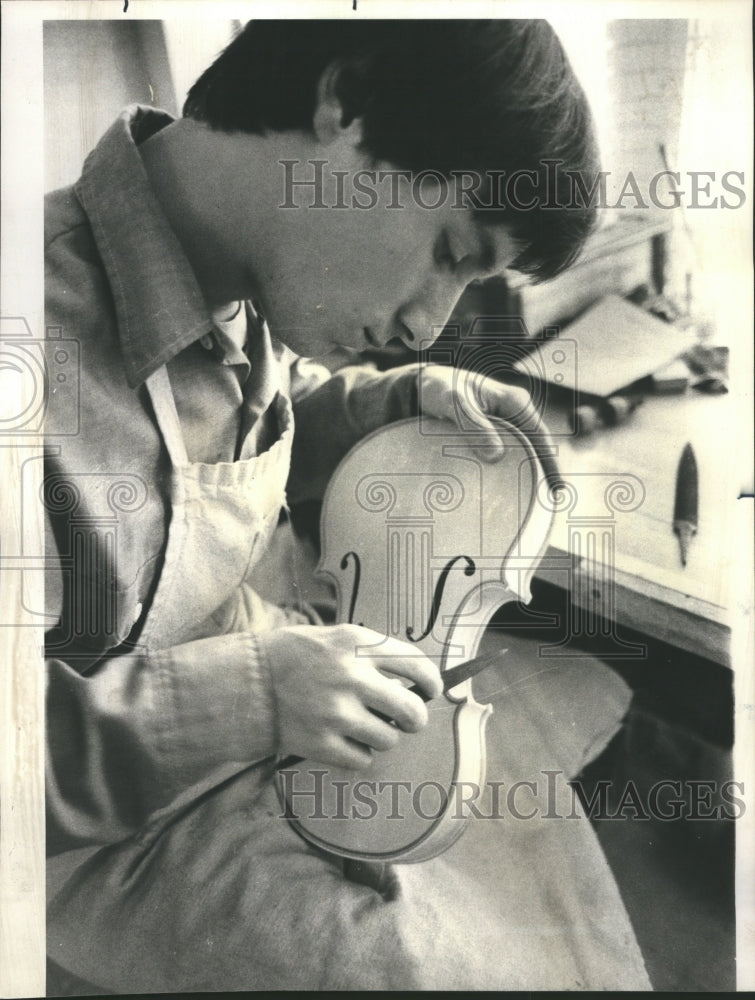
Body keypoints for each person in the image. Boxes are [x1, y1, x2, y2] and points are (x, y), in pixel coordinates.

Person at [44, 19, 650, 992]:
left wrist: (392, 398)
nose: (426, 325)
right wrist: (248, 694)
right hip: (97, 826)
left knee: (522, 852)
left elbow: (231, 437)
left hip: (282, 680)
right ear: (343, 104)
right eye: (450, 249)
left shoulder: (244, 269)